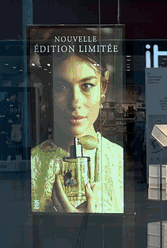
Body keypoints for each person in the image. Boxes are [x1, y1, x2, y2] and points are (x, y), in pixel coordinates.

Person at [31, 50, 123, 213]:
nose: (74, 102)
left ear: (103, 88)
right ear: (49, 92)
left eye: (87, 86)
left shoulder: (119, 160)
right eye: (61, 87)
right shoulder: (33, 162)